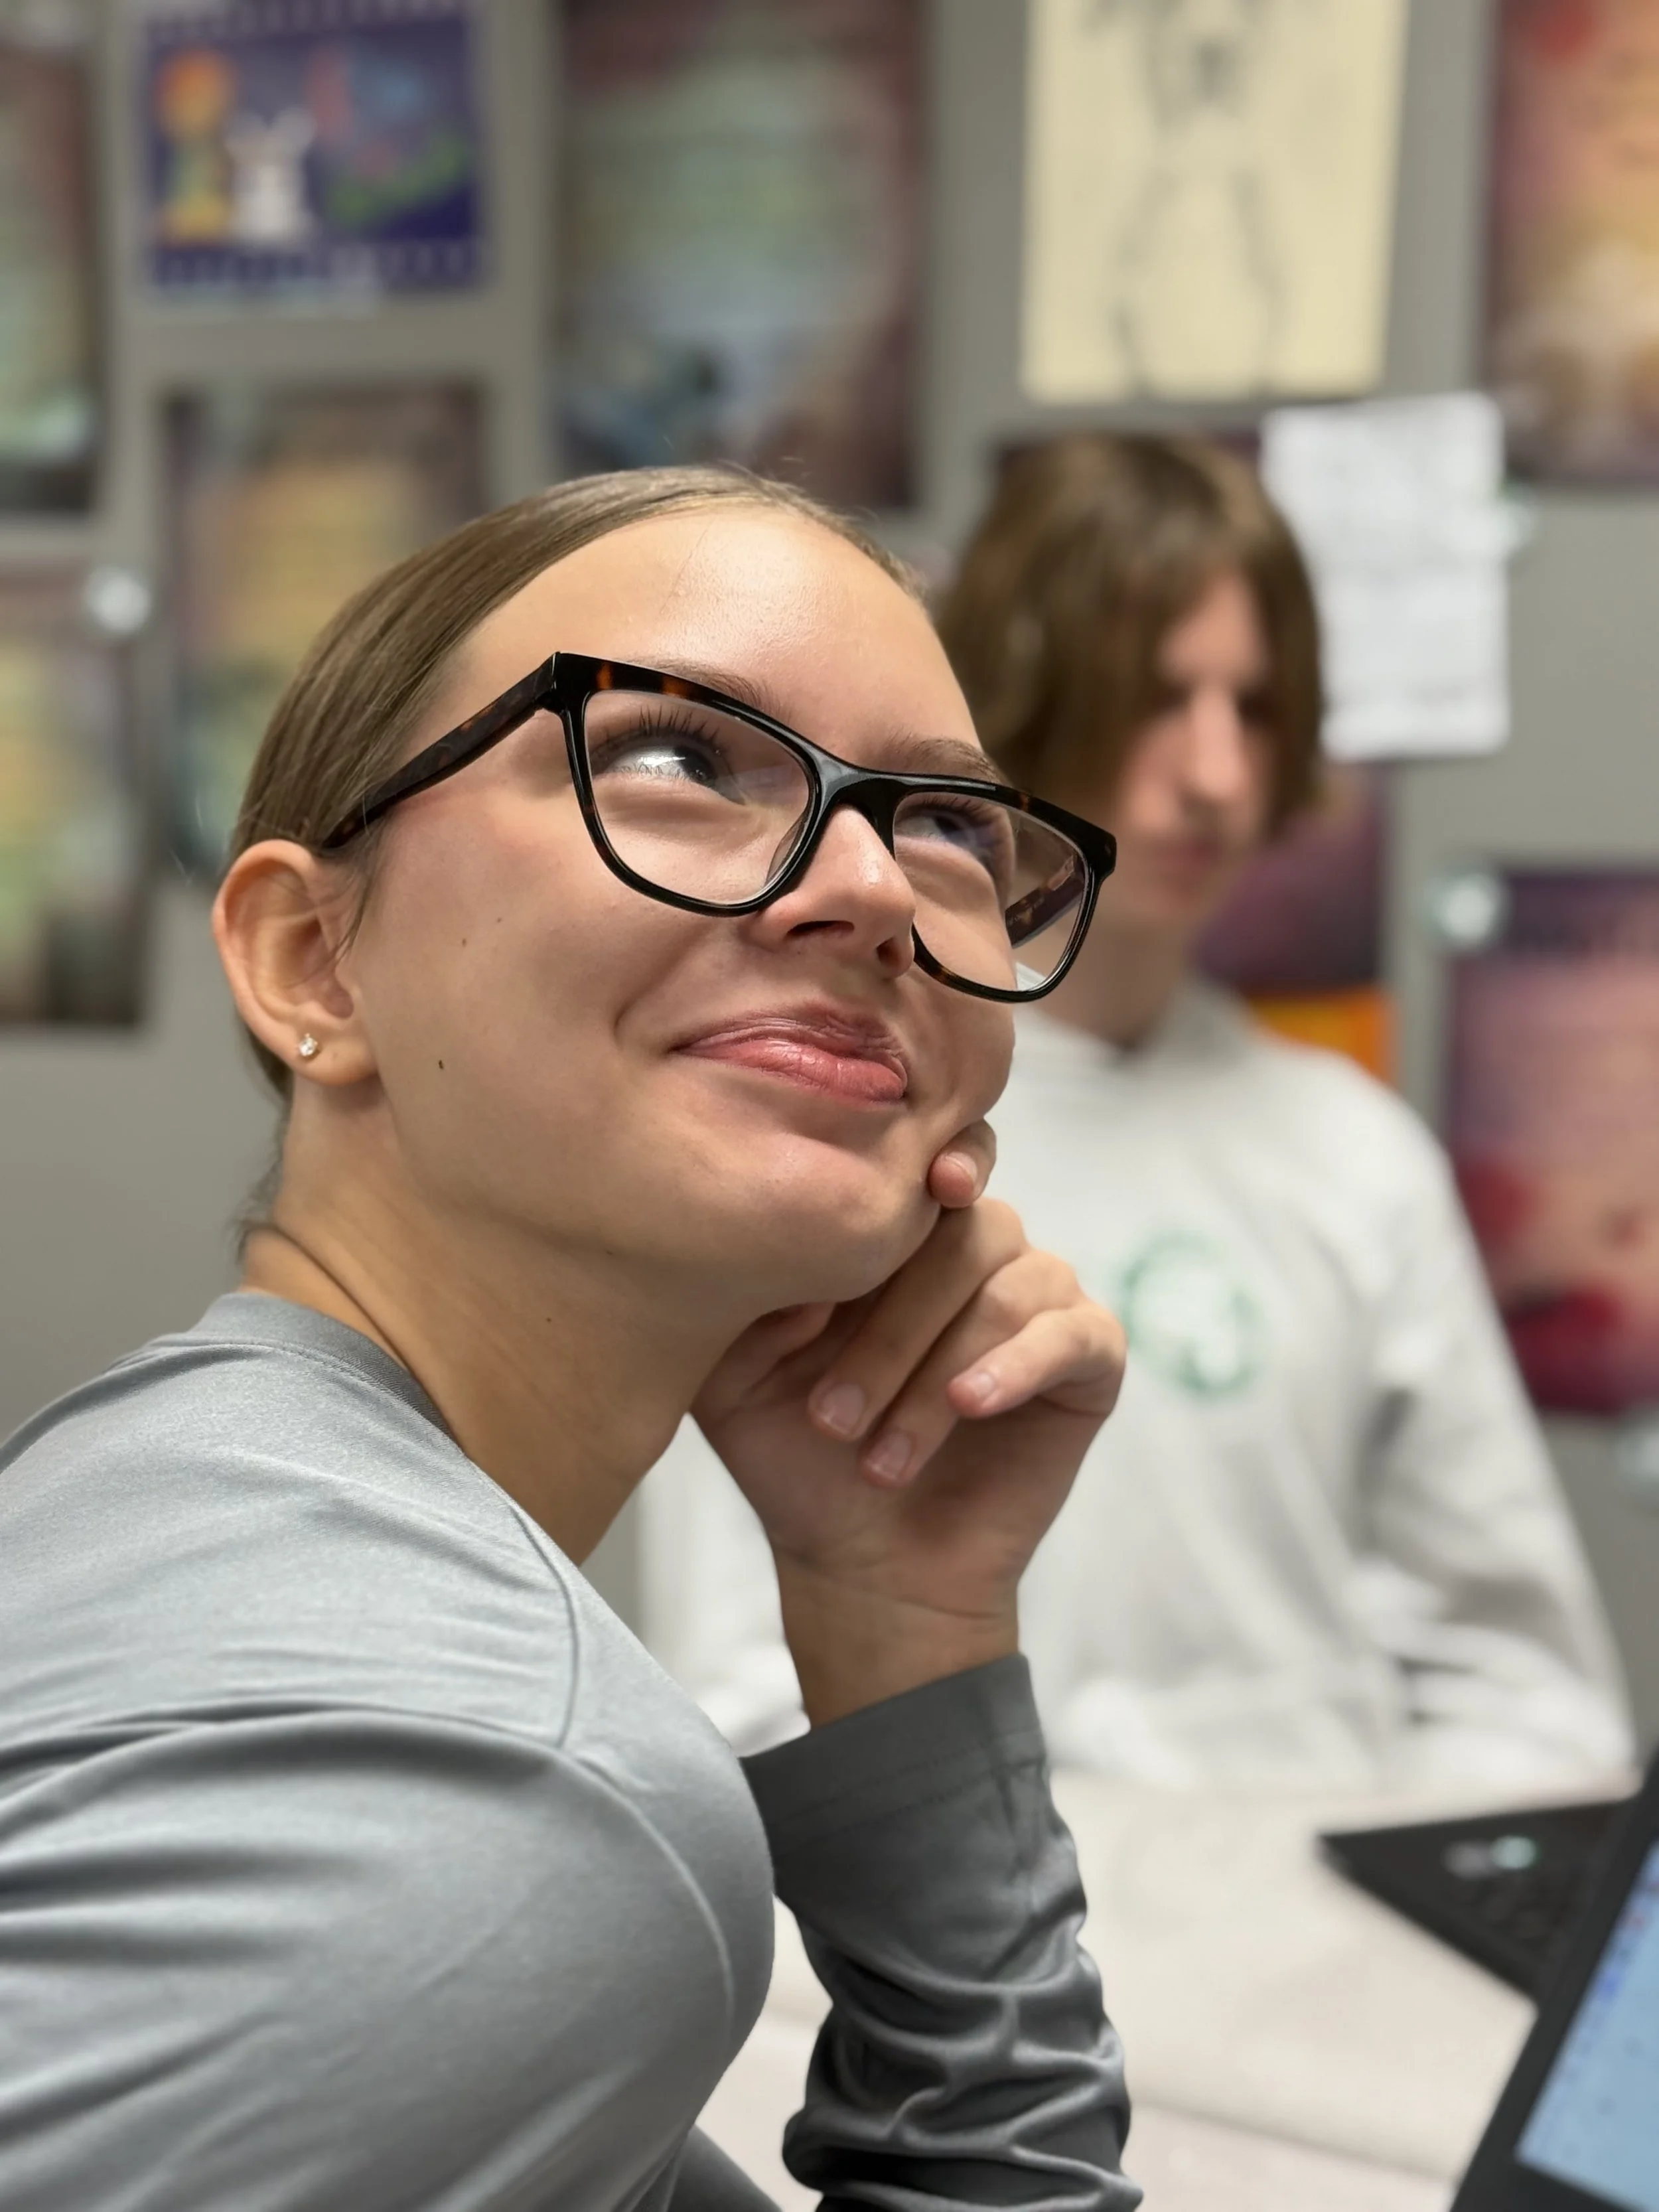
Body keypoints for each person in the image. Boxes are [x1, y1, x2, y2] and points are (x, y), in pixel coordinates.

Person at [0, 467, 1142, 2210]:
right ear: (315, 960)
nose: (871, 889)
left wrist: (907, 1635)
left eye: (948, 827)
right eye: (681, 757)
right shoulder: (509, 1793)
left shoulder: (150, 1477)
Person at [643, 433, 1633, 1792]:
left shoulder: (1349, 1154)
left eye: (1255, 706)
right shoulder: (831, 1133)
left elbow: (1528, 1698)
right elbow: (740, 1702)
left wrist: (1346, 1925)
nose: (1215, 774)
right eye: (1156, 698)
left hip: (1321, 1970)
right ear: (1020, 705)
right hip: (963, 1949)